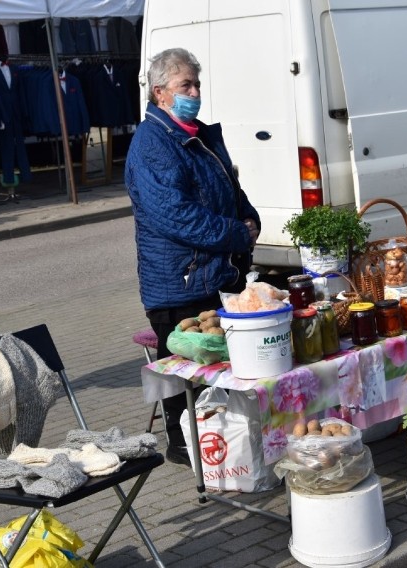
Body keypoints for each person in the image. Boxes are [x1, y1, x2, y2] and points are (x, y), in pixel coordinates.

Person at [125, 48, 260, 466]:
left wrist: (248, 215)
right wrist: (238, 233)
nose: (195, 92)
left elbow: (228, 189)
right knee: (186, 383)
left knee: (222, 376)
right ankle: (192, 450)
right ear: (160, 92)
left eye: (197, 84)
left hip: (216, 274)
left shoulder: (198, 134)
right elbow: (177, 216)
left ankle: (226, 447)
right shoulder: (153, 144)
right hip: (180, 283)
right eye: (186, 85)